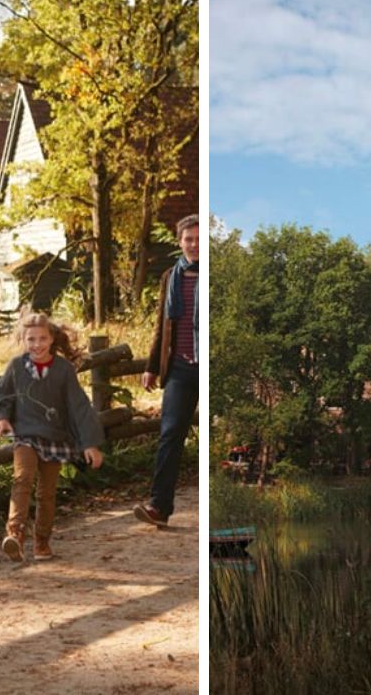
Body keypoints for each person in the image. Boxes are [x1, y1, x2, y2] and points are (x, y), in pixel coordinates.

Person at [0, 313, 106, 561]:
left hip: (54, 436)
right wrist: (1, 418)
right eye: (31, 339)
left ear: (52, 339)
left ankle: (41, 541)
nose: (37, 344)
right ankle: (15, 534)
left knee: (47, 492)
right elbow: (2, 396)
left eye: (42, 338)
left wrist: (90, 444)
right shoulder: (16, 367)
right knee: (22, 478)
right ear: (23, 339)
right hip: (25, 435)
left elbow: (79, 407)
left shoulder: (63, 370)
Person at [135, 214, 200, 526]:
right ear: (180, 241)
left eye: (200, 239)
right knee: (170, 434)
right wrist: (150, 366)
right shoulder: (169, 277)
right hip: (179, 368)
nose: (194, 244)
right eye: (189, 239)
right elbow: (161, 327)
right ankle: (159, 507)